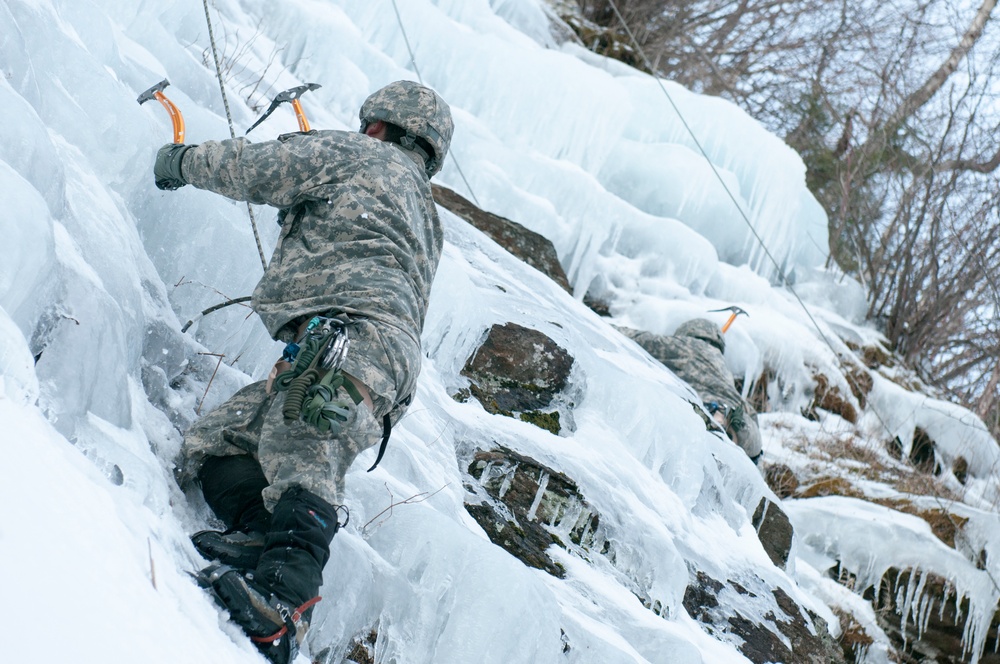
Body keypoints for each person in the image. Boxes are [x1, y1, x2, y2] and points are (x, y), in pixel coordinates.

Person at [153, 80, 453, 663]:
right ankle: (265, 538)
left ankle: (284, 605)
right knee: (221, 441)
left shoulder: (358, 155)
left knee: (305, 443)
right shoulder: (426, 210)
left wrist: (182, 162)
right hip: (366, 352)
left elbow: (260, 168)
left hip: (352, 338)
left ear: (381, 126)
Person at [616, 319, 762, 463]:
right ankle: (726, 423)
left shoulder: (686, 346)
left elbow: (641, 340)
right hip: (747, 429)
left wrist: (597, 323)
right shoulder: (723, 368)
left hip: (704, 411)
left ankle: (715, 418)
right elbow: (750, 411)